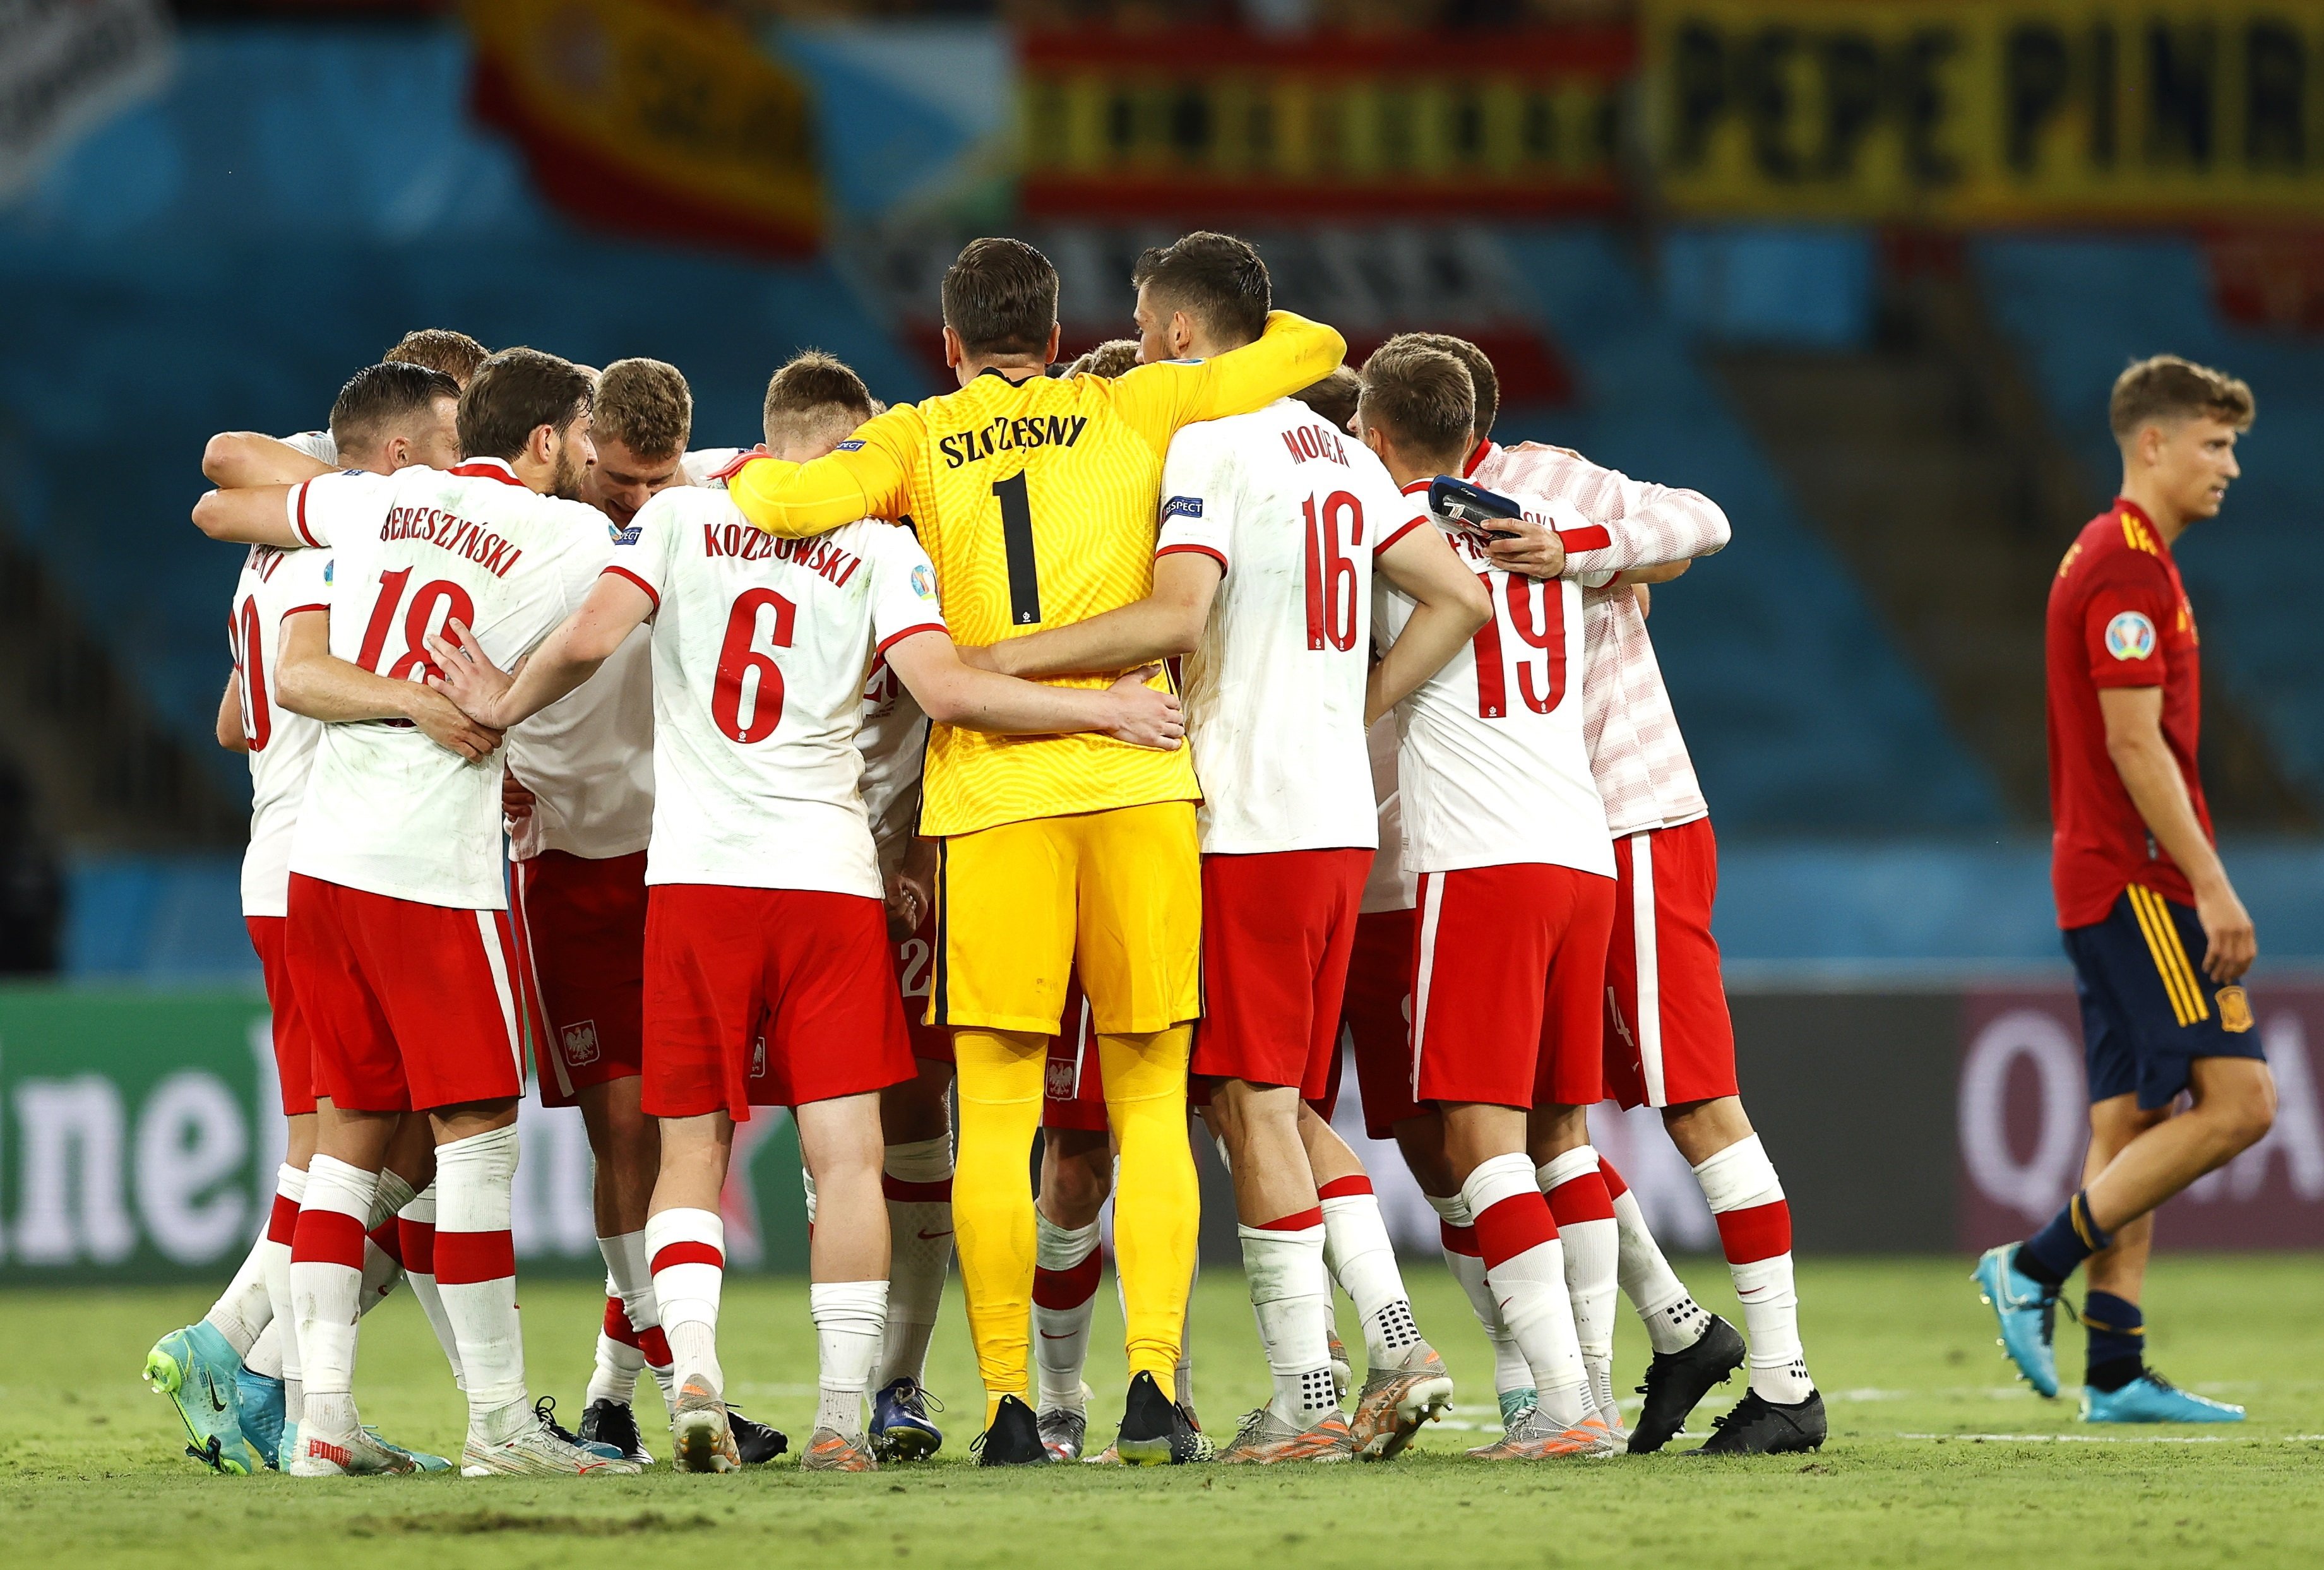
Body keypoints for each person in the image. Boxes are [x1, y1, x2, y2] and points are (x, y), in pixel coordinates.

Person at [422, 348, 1186, 1472]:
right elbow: (947, 690)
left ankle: (692, 1376)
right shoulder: (881, 547)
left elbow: (586, 638)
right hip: (828, 879)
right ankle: (841, 1418)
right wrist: (1106, 713)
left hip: (695, 882)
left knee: (692, 1149)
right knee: (848, 1157)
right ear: (854, 450)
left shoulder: (681, 519)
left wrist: (501, 699)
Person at [723, 234, 1344, 1464]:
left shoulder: (914, 437)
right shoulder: (1134, 402)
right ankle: (1154, 1388)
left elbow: (777, 504)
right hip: (1136, 779)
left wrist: (739, 467)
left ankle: (1009, 1403)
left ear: (950, 343)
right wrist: (1178, 355)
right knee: (1151, 1104)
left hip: (992, 794)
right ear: (1057, 339)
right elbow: (1314, 347)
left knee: (1000, 1115)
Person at [965, 234, 1489, 1464]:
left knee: (1249, 1105)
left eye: (1148, 327)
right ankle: (1393, 1341)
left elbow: (1175, 614)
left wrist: (996, 662)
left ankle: (1309, 1395)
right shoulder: (1339, 451)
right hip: (1334, 823)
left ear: (1183, 334)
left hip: (1244, 818)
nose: (1144, 347)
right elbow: (1460, 595)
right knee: (1272, 1101)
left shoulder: (1210, 443)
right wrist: (1353, 707)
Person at [189, 346, 643, 1478]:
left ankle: (322, 1426)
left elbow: (227, 509)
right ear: (546, 440)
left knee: (345, 1147)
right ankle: (499, 1424)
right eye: (585, 439)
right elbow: (601, 629)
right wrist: (499, 699)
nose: (595, 460)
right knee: (476, 1140)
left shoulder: (377, 502)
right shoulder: (570, 533)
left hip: (324, 864)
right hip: (432, 868)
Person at [1441, 336, 1812, 1454]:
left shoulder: (1546, 475)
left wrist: (1578, 548)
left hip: (1632, 821)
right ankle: (1663, 1342)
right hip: (1547, 843)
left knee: (1693, 1100)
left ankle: (1785, 1383)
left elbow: (1698, 520)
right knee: (1547, 1114)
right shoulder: (1405, 508)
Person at [145, 361, 464, 1475]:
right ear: (395, 450)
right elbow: (223, 465)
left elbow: (235, 718)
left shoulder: (278, 551)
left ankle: (263, 1369)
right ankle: (244, 1356)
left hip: (282, 859)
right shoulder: (355, 541)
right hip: (325, 867)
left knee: (358, 1142)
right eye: (451, 438)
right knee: (358, 1146)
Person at [1975, 354, 2273, 1425]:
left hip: (2102, 876)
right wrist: (2212, 885)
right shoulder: (2126, 569)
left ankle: (2112, 1365)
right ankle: (2030, 1266)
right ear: (2152, 443)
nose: (2228, 465)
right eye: (2213, 443)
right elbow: (2133, 745)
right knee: (2240, 1104)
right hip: (2137, 879)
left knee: (2132, 1115)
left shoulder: (2120, 558)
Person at [1350, 340, 1617, 1461]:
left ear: (1373, 436)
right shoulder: (1532, 524)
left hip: (1480, 863)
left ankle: (1564, 1403)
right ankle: (1591, 1391)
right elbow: (1677, 536)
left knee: (1478, 1133)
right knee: (1563, 1132)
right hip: (1583, 853)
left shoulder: (1388, 532)